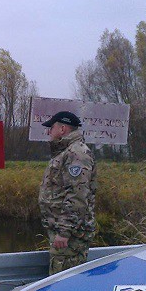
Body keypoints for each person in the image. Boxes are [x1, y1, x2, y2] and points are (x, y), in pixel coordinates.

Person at [39, 111, 97, 275]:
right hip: (65, 234)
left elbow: (77, 195)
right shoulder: (65, 152)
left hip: (70, 237)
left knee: (63, 283)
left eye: (52, 127)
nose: (49, 132)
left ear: (62, 128)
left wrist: (64, 232)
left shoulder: (76, 154)